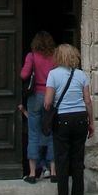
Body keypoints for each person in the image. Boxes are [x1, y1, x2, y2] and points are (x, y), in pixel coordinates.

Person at [44, 44, 94, 195]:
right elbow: (88, 101)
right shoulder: (81, 74)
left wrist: (47, 106)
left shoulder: (53, 74)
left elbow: (48, 102)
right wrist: (91, 122)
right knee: (78, 161)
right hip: (80, 118)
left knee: (62, 162)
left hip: (62, 120)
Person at [20, 31, 56, 183]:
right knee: (51, 134)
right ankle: (53, 172)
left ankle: (33, 173)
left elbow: (23, 75)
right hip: (51, 95)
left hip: (35, 97)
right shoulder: (55, 57)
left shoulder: (32, 56)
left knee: (33, 134)